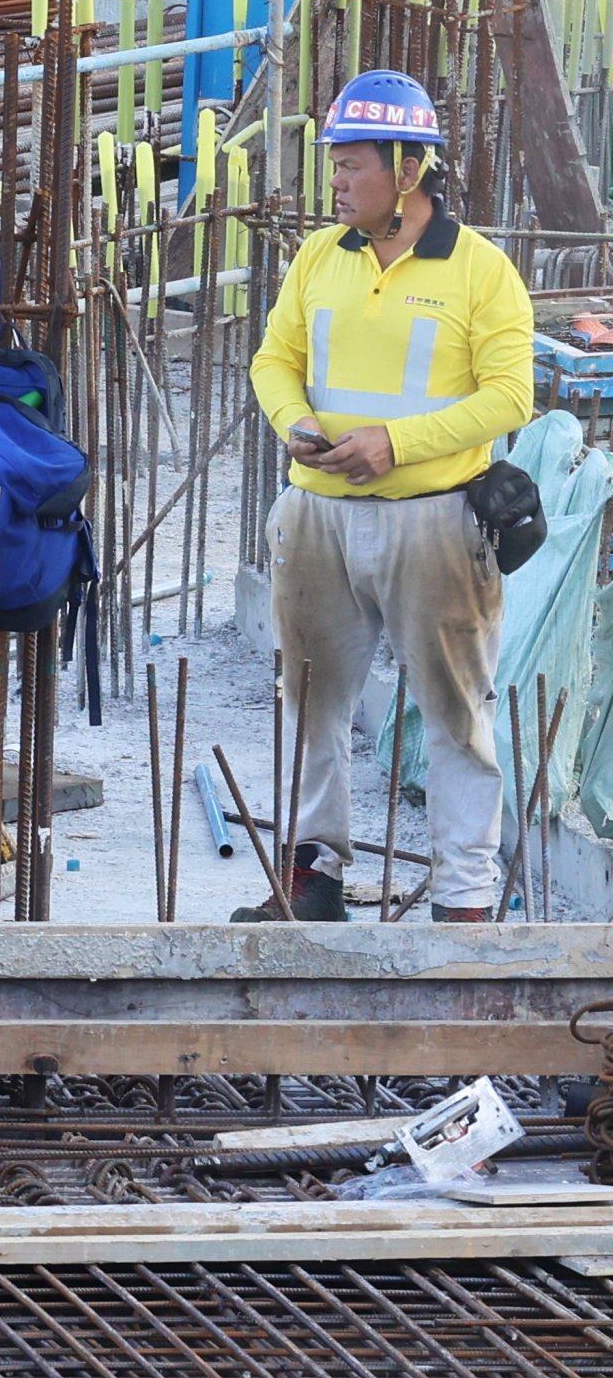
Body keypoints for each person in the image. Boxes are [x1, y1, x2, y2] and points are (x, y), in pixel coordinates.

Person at [244, 67, 536, 924]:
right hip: (317, 515)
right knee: (309, 703)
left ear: (407, 170)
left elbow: (508, 395)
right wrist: (293, 422)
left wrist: (395, 444)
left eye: (350, 163)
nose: (333, 179)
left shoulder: (480, 271)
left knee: (452, 714)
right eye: (333, 162)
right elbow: (273, 361)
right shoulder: (317, 257)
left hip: (433, 524)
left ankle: (463, 903)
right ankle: (311, 881)